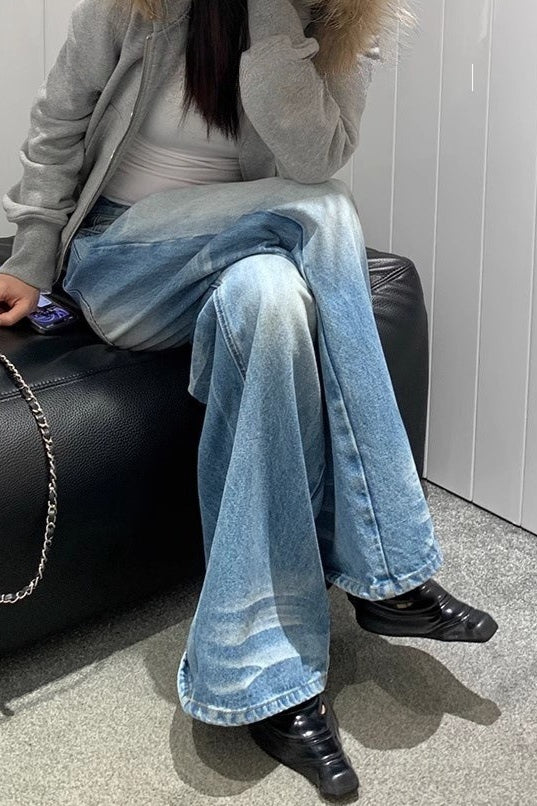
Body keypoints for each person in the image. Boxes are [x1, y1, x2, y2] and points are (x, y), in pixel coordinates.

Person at [0, 0, 498, 798]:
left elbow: (308, 155)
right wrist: (29, 256)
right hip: (122, 259)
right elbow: (61, 119)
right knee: (322, 208)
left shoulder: (336, 26)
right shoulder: (133, 6)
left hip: (241, 255)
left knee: (272, 301)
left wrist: (271, 20)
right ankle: (391, 565)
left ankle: (264, 677)